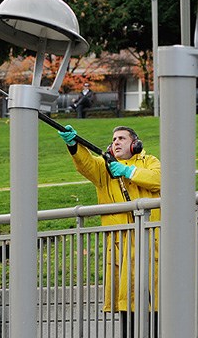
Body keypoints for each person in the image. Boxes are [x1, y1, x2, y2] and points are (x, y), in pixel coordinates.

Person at [58, 125, 161, 337]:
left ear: (135, 144)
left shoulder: (149, 162)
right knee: (127, 307)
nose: (116, 142)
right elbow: (86, 165)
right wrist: (72, 144)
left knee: (156, 305)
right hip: (121, 248)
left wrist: (128, 171)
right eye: (114, 139)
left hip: (153, 245)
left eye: (122, 138)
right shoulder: (104, 168)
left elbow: (159, 180)